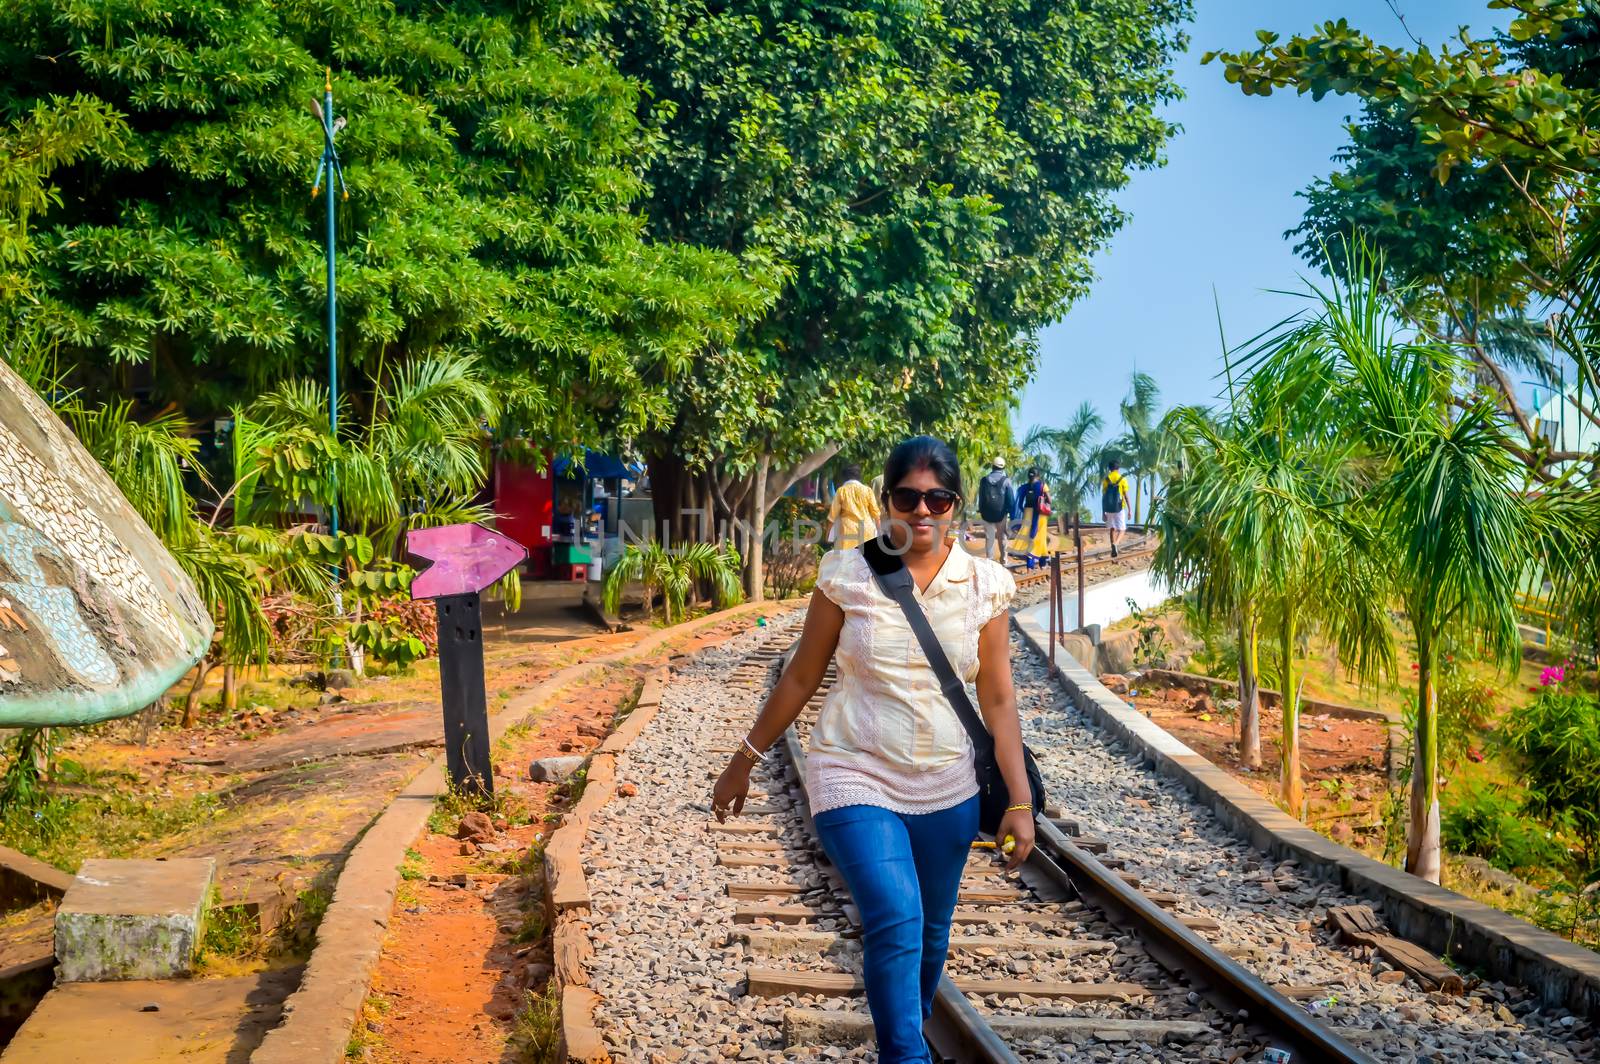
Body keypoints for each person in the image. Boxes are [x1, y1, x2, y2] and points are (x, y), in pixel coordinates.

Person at [712, 437, 1034, 1063]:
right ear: (887, 502)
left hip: (949, 785)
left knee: (931, 936)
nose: (922, 511)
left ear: (955, 505)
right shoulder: (848, 575)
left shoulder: (985, 585)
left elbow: (998, 699)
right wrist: (743, 759)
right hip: (852, 769)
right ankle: (905, 1057)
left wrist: (1019, 801)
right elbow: (801, 677)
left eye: (936, 498)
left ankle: (901, 1036)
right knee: (895, 917)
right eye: (908, 497)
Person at [828, 463, 880, 550]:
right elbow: (876, 515)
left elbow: (832, 515)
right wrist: (879, 533)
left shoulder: (841, 491)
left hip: (847, 531)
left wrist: (828, 533)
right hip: (867, 530)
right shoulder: (868, 490)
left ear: (844, 477)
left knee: (847, 561)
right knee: (864, 561)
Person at [975, 457, 1015, 563]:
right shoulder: (1006, 481)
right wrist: (1011, 513)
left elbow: (981, 498)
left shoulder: (984, 480)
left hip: (987, 514)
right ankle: (1004, 559)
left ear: (992, 466)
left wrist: (982, 510)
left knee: (989, 537)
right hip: (1001, 514)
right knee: (1002, 536)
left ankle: (990, 561)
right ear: (1003, 467)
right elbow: (1010, 500)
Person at [1011, 468, 1051, 569]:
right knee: (1040, 539)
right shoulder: (1043, 485)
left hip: (1028, 513)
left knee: (1028, 539)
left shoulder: (1024, 487)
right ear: (1038, 475)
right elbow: (1049, 500)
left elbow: (1019, 504)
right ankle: (1042, 564)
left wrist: (1025, 511)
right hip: (1040, 515)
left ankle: (1030, 565)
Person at [1101, 460, 1130, 557]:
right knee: (1122, 529)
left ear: (1109, 468)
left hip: (1108, 508)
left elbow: (1104, 497)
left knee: (1112, 528)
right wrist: (1130, 510)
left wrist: (1103, 512)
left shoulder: (1106, 479)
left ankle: (1112, 548)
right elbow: (1126, 495)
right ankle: (1116, 544)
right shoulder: (1122, 479)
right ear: (1118, 468)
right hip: (1119, 508)